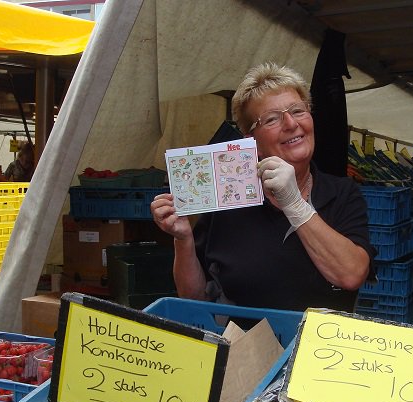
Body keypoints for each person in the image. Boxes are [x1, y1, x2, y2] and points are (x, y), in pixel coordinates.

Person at [151, 62, 375, 312]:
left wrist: (293, 202)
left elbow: (352, 275)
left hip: (320, 347)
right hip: (244, 343)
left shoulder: (342, 194)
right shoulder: (227, 199)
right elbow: (194, 299)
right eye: (271, 119)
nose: (291, 124)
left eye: (298, 110)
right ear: (251, 143)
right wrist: (183, 240)